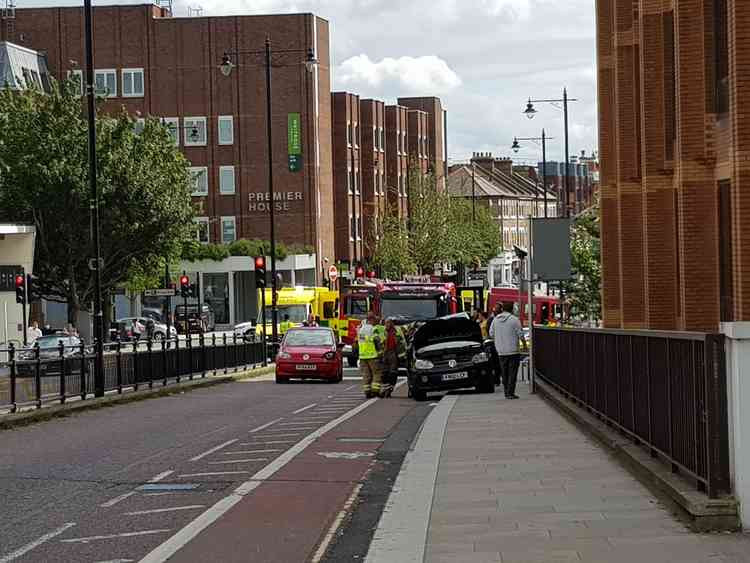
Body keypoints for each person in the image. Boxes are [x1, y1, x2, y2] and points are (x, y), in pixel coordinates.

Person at [489, 302, 527, 399]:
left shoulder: (495, 320)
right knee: (512, 373)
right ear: (512, 309)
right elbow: (521, 334)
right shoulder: (514, 320)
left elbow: (491, 333)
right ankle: (510, 393)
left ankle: (506, 392)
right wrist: (524, 345)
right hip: (513, 350)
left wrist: (499, 341)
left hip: (501, 351)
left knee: (504, 373)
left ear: (503, 309)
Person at [358, 311, 384, 398]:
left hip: (362, 356)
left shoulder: (360, 330)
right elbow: (377, 341)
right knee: (376, 373)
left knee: (366, 375)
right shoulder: (373, 329)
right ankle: (375, 391)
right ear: (372, 319)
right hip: (372, 356)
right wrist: (380, 352)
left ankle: (367, 392)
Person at [381, 318, 405, 398]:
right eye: (386, 323)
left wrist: (401, 356)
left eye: (388, 323)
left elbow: (402, 343)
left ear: (391, 323)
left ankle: (390, 389)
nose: (387, 325)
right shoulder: (382, 330)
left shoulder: (397, 331)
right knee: (384, 373)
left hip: (393, 353)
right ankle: (385, 389)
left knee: (393, 372)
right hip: (385, 353)